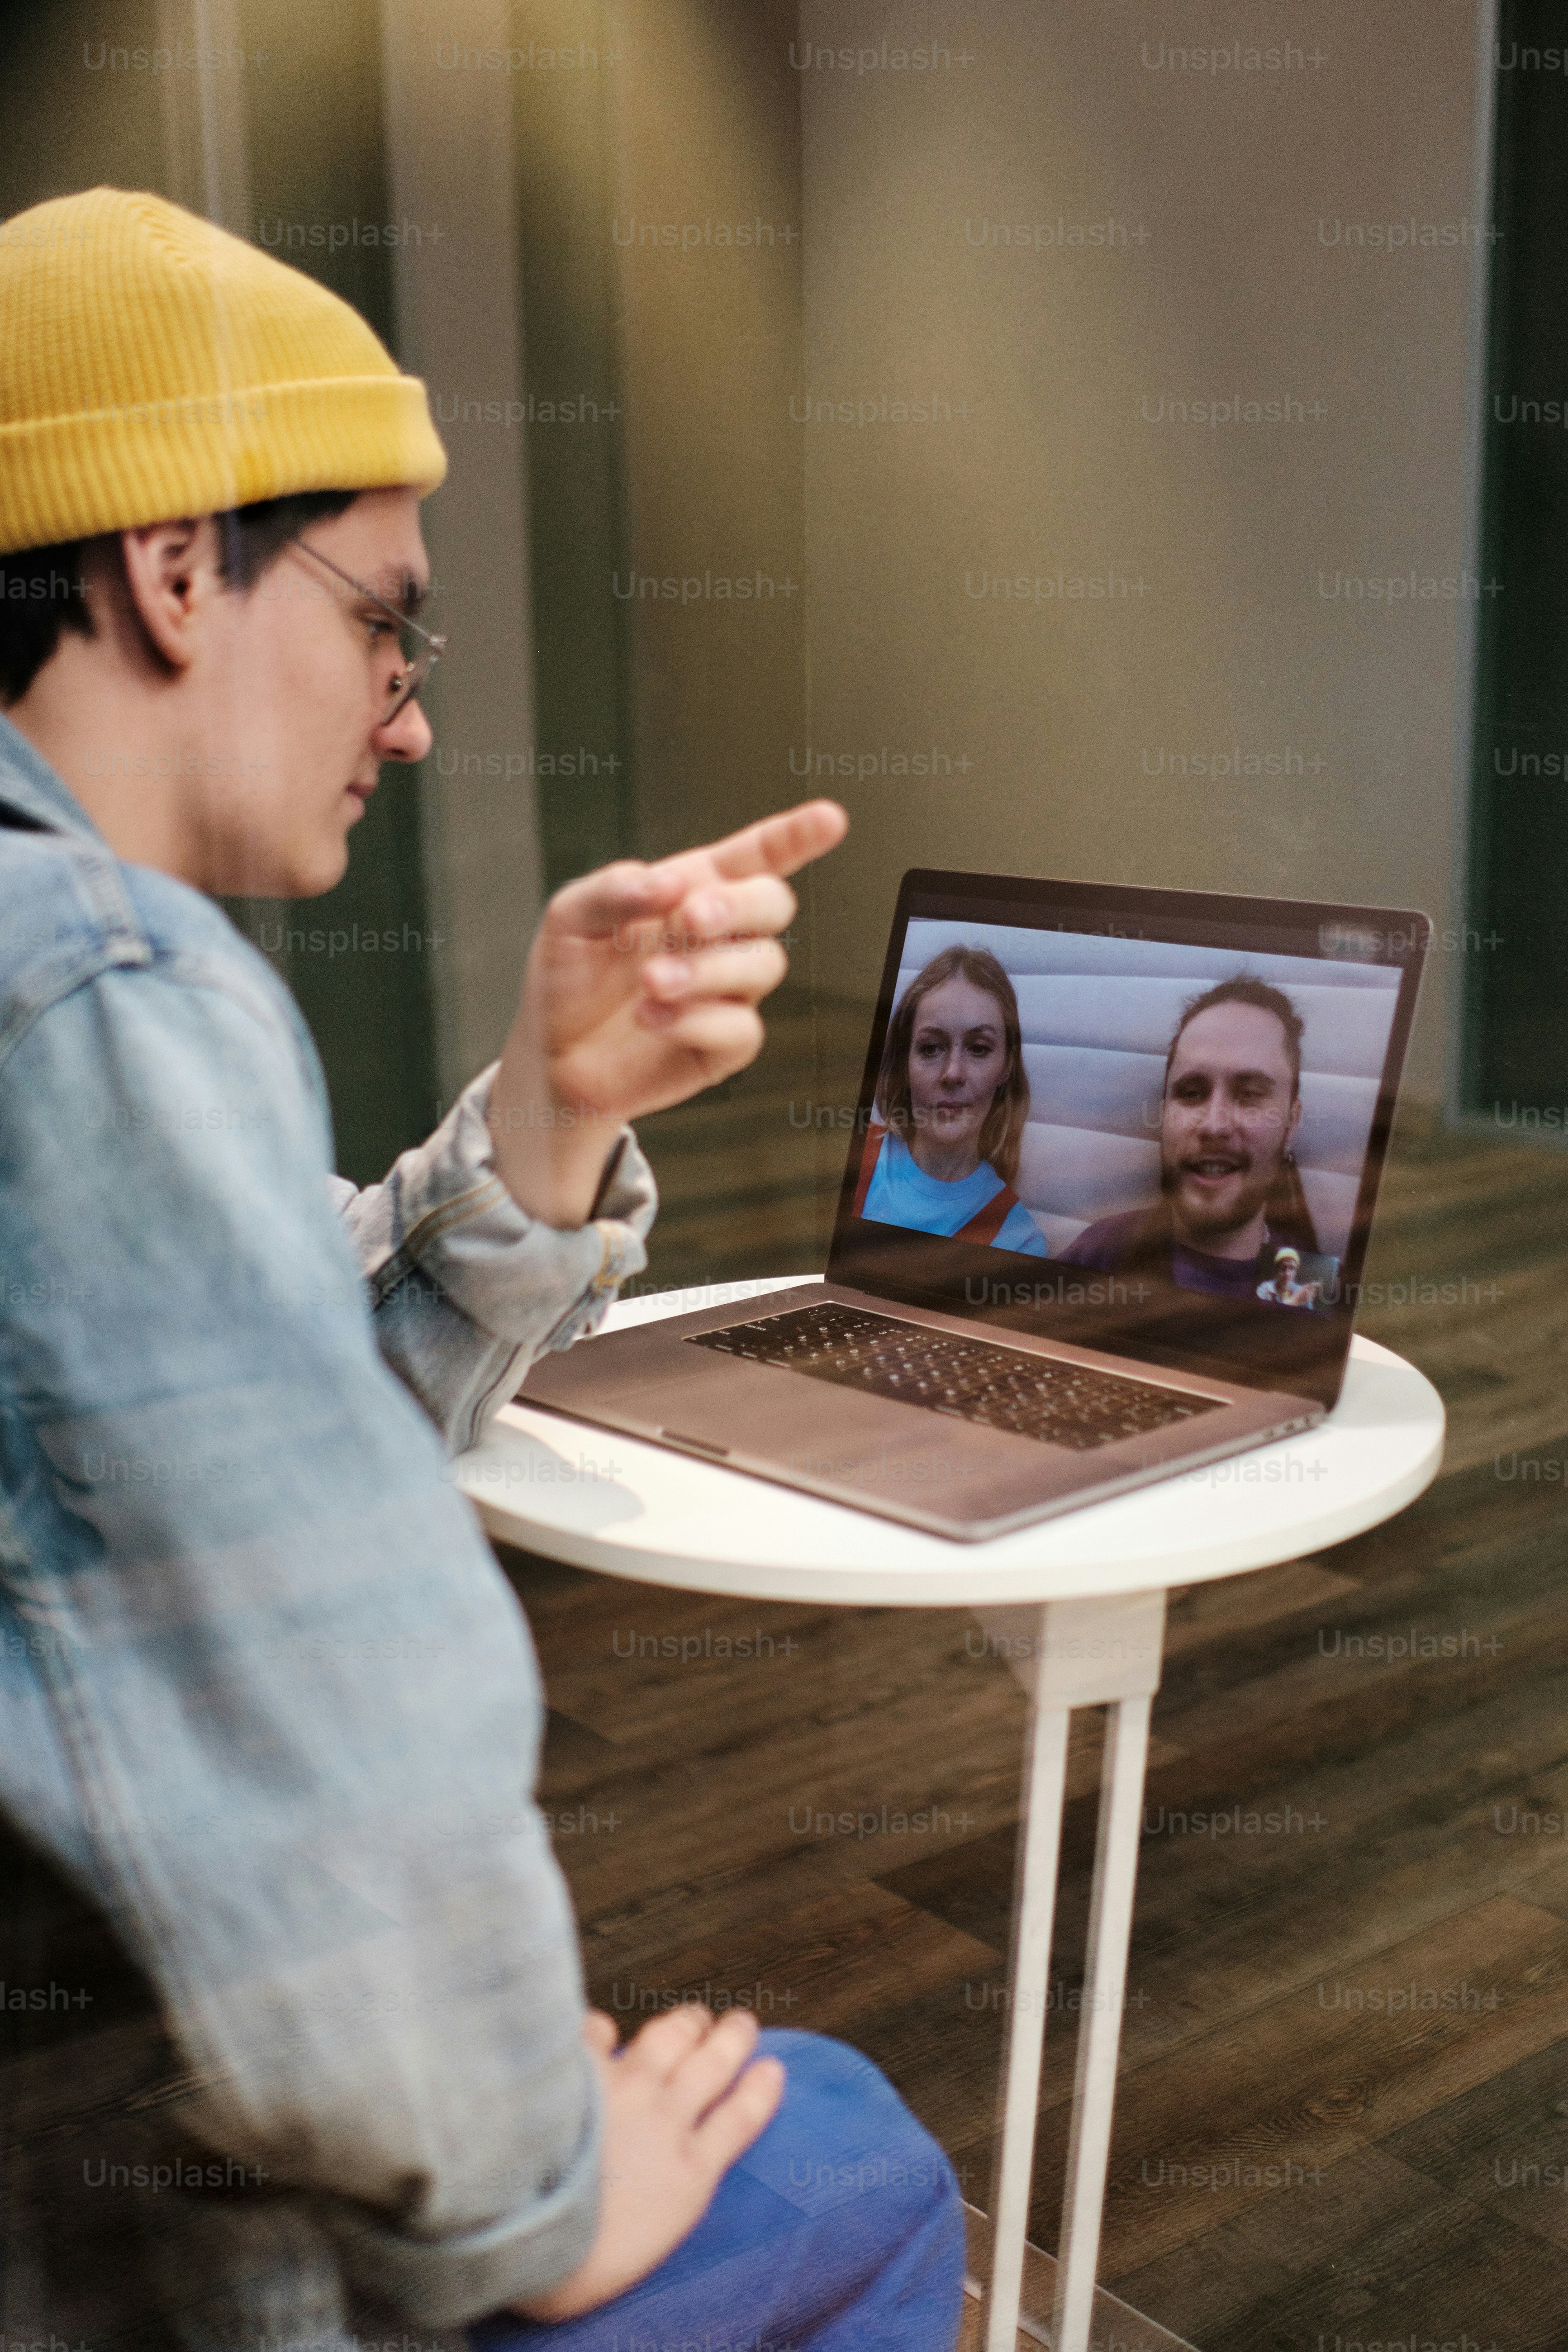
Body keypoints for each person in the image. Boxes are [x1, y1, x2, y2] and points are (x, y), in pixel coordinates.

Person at [0, 189, 964, 2352]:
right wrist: (536, 2182)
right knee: (855, 2147)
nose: (411, 714)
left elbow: (138, 1480)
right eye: (382, 622)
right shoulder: (93, 979)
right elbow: (337, 1686)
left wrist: (543, 1111)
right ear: (171, 565)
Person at [1060, 975, 1325, 1301]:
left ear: (1291, 1124)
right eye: (1191, 1093)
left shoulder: (1311, 1288)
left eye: (1250, 1094)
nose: (1214, 1126)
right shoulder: (1099, 1252)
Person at [855, 944, 1048, 1256]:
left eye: (979, 1048)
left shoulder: (1019, 1243)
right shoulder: (846, 1160)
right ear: (905, 1060)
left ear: (1008, 1066)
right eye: (931, 1048)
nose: (953, 1073)